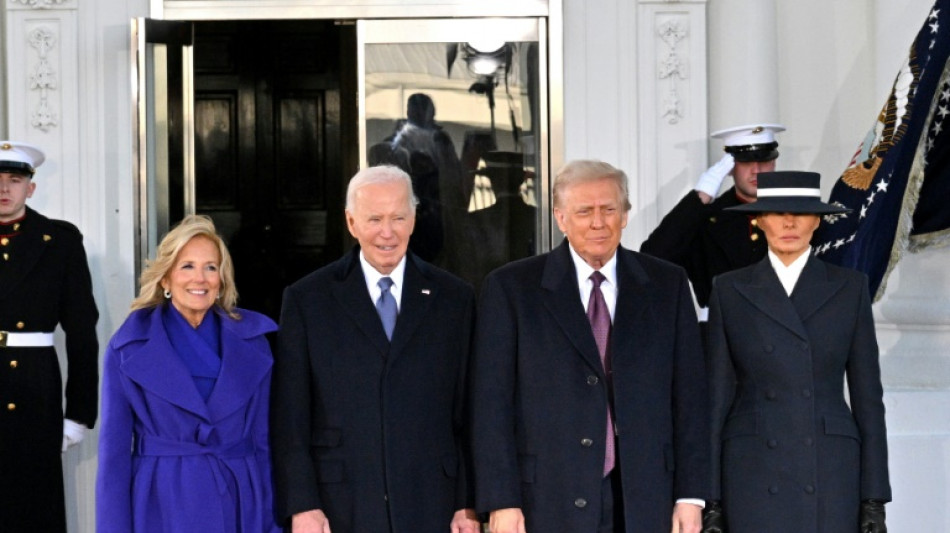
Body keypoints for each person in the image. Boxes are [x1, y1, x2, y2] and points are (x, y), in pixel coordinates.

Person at [471, 159, 709, 533]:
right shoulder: (511, 289)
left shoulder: (668, 285)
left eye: (609, 209)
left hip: (647, 498)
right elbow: (490, 406)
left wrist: (691, 495)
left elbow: (691, 399)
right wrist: (501, 499)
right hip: (545, 500)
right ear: (561, 217)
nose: (598, 223)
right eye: (584, 212)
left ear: (625, 215)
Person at [271, 165, 480, 533]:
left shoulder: (455, 299)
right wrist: (302, 504)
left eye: (399, 217)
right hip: (340, 503)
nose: (388, 232)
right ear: (351, 222)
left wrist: (467, 503)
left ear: (414, 219)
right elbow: (291, 417)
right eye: (374, 219)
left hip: (433, 500)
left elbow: (469, 412)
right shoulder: (308, 300)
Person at [703, 171, 890, 533]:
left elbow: (869, 400)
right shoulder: (729, 290)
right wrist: (711, 500)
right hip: (752, 469)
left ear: (817, 220)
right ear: (758, 219)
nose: (789, 223)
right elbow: (716, 400)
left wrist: (874, 499)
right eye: (776, 213)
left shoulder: (850, 289)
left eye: (801, 213)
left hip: (830, 470)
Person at [96, 215, 280, 533]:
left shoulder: (253, 344)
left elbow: (262, 442)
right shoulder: (129, 346)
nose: (201, 278)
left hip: (237, 499)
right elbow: (113, 456)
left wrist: (269, 522)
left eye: (211, 267)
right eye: (187, 266)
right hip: (160, 503)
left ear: (222, 279)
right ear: (165, 279)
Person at [0, 141, 99, 532]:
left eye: (14, 179)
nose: (4, 189)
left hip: (34, 391)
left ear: (31, 188)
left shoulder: (59, 241)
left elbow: (81, 334)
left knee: (33, 507)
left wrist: (78, 415)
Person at [641, 124, 785, 317]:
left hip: (785, 328)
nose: (756, 170)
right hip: (722, 333)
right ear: (730, 167)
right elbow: (653, 258)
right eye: (745, 162)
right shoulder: (705, 218)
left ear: (774, 162)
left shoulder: (797, 214)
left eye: (764, 160)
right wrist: (701, 196)